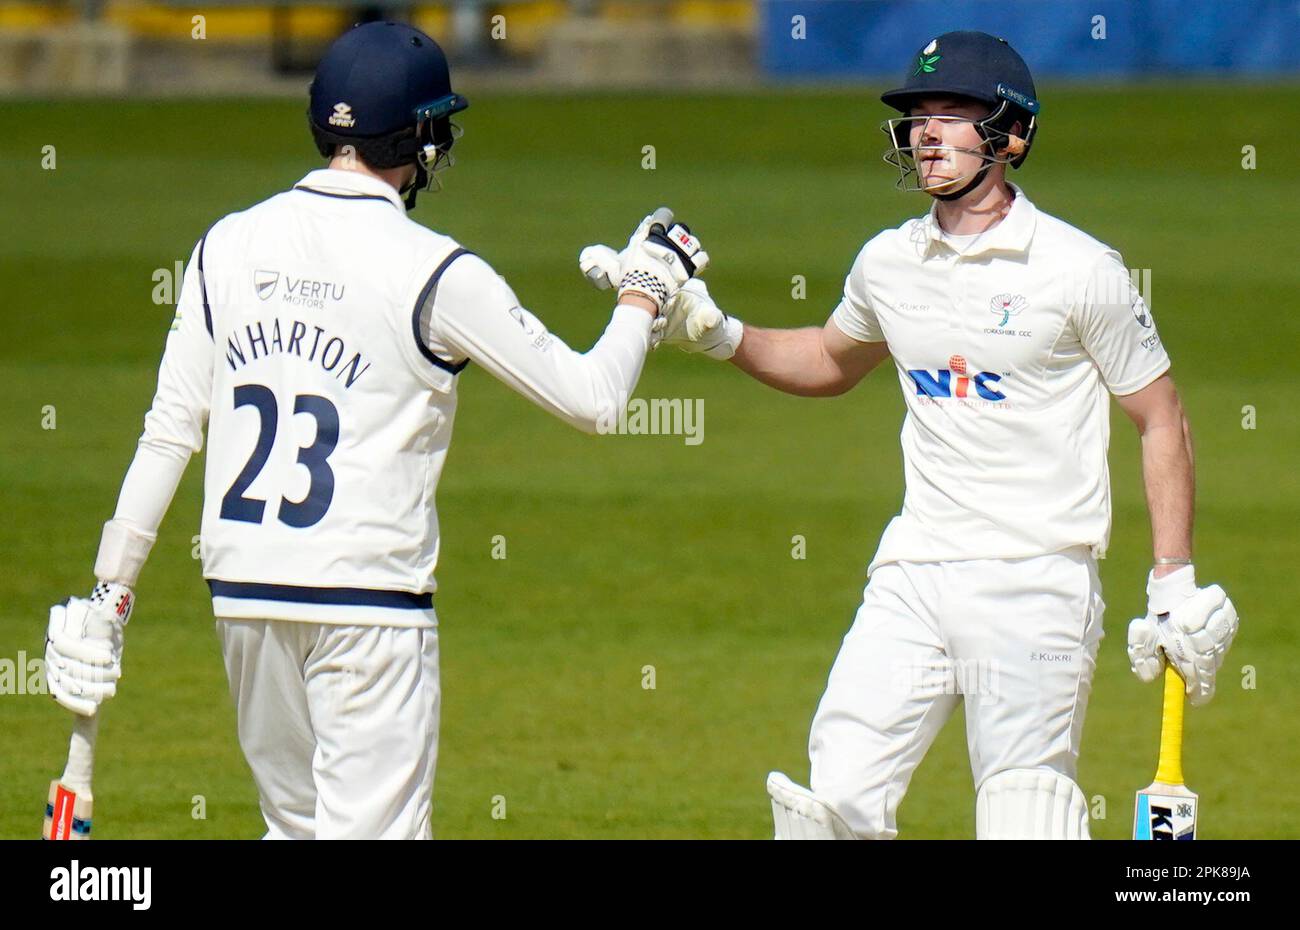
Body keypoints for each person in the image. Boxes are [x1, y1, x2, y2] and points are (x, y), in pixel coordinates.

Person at [42, 21, 707, 839]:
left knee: (293, 830)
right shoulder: (434, 267)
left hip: (245, 596)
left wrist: (109, 594)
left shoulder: (225, 244)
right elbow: (594, 399)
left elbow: (169, 431)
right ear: (420, 141)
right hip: (368, 606)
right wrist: (644, 291)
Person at [634, 30, 1239, 839]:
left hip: (1037, 579)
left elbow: (1159, 414)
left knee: (1025, 810)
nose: (927, 132)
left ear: (1011, 134)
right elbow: (828, 358)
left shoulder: (1078, 268)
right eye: (918, 115)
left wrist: (1173, 578)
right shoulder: (889, 262)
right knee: (830, 801)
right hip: (914, 569)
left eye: (953, 114)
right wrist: (715, 331)